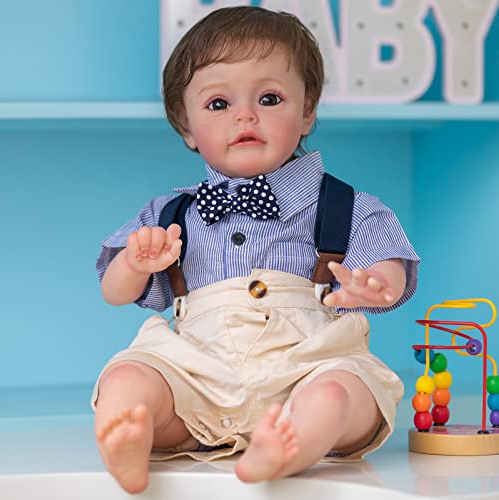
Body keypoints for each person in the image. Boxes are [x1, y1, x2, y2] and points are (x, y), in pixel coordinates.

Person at [91, 5, 420, 494]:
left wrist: (376, 283)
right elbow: (114, 292)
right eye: (218, 104)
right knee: (129, 375)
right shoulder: (169, 215)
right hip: (198, 376)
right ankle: (129, 435)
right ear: (186, 125)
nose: (245, 115)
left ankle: (292, 444)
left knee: (340, 391)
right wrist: (134, 264)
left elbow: (389, 268)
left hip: (307, 365)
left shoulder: (344, 206)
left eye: (269, 98)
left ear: (306, 111)